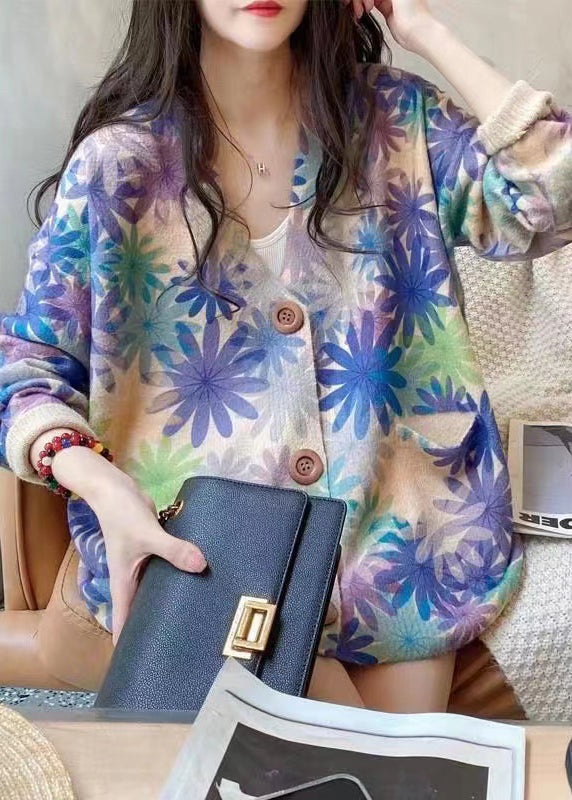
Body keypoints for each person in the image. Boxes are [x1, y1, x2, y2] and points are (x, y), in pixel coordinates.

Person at [0, 0, 570, 713]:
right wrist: (99, 482)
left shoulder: (398, 121)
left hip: (398, 546)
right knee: (342, 755)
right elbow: (27, 367)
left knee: (396, 760)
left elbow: (552, 194)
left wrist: (425, 30)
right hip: (209, 548)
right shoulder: (119, 167)